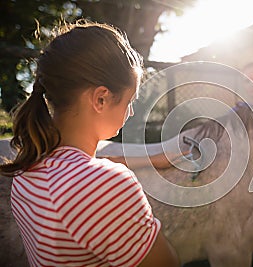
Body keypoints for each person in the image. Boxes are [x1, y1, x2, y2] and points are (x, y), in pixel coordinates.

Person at [0, 21, 180, 267]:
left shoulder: (26, 169)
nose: (130, 113)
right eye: (129, 101)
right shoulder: (106, 186)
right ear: (101, 99)